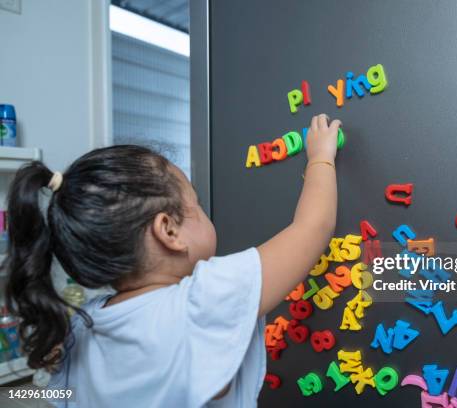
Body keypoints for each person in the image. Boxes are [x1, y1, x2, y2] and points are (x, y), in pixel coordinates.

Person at [4, 113, 341, 407]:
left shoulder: (83, 327)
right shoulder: (202, 300)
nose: (204, 212)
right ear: (169, 231)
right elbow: (312, 227)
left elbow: (48, 397)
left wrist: (31, 388)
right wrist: (320, 157)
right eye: (197, 205)